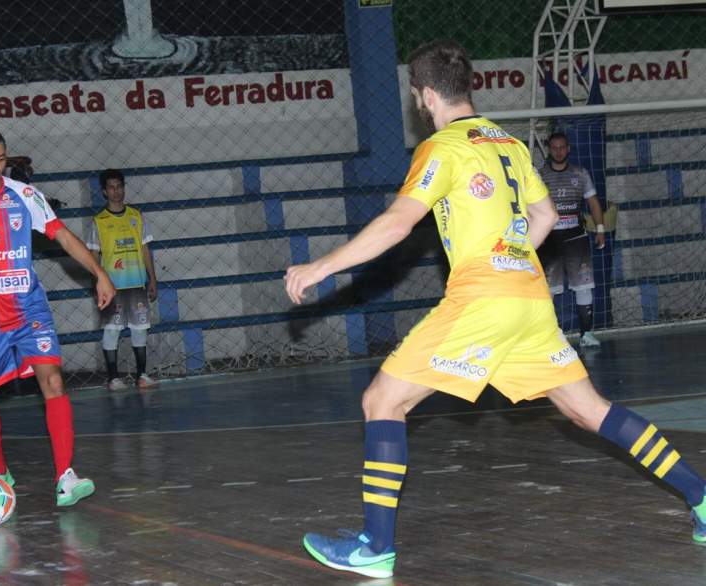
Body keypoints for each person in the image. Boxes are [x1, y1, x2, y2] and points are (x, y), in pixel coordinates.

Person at [285, 39, 706, 579]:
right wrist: (510, 256)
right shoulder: (507, 143)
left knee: (382, 401)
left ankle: (374, 546)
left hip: (482, 301)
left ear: (427, 93)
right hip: (528, 300)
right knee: (590, 410)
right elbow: (547, 215)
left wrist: (321, 268)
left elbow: (397, 223)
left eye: (417, 95)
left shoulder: (441, 148)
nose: (418, 104)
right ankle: (699, 496)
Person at [0, 126, 115, 507]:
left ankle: (66, 476)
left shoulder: (24, 195)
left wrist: (100, 274)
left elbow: (61, 236)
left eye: (0, 160)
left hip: (29, 308)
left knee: (54, 381)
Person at [86, 169, 159, 391]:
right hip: (113, 288)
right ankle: (113, 378)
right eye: (111, 187)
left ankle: (142, 375)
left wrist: (152, 279)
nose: (116, 191)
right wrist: (98, 282)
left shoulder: (136, 216)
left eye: (119, 186)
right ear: (104, 191)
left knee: (140, 329)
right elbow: (93, 256)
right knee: (111, 330)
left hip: (136, 283)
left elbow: (145, 249)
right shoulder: (98, 221)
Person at [538, 131, 606, 347]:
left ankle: (586, 334)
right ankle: (552, 338)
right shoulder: (539, 175)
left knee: (584, 286)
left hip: (576, 239)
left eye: (562, 147)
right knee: (548, 290)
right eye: (554, 147)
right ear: (550, 149)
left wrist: (601, 228)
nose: (558, 151)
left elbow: (593, 202)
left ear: (568, 149)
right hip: (549, 242)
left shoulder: (580, 173)